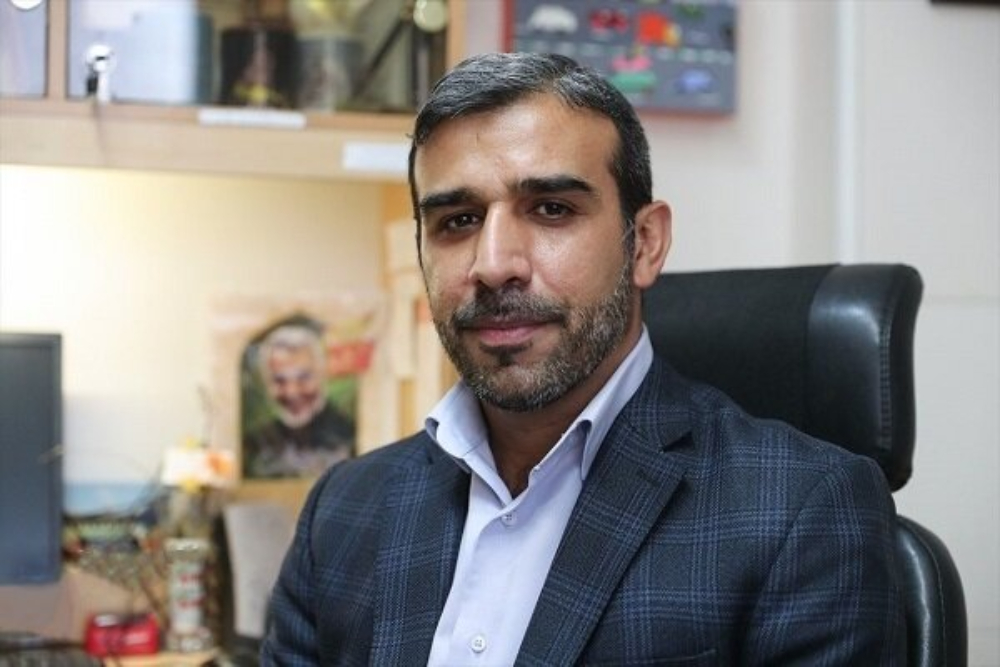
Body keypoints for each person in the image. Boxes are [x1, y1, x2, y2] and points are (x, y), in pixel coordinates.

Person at [261, 53, 905, 665]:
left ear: (644, 244)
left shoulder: (801, 510)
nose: (494, 265)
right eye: (457, 220)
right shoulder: (343, 511)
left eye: (551, 209)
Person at [242, 322, 354, 478]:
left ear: (322, 376)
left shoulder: (349, 435)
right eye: (280, 380)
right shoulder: (256, 442)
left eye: (303, 378)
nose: (292, 392)